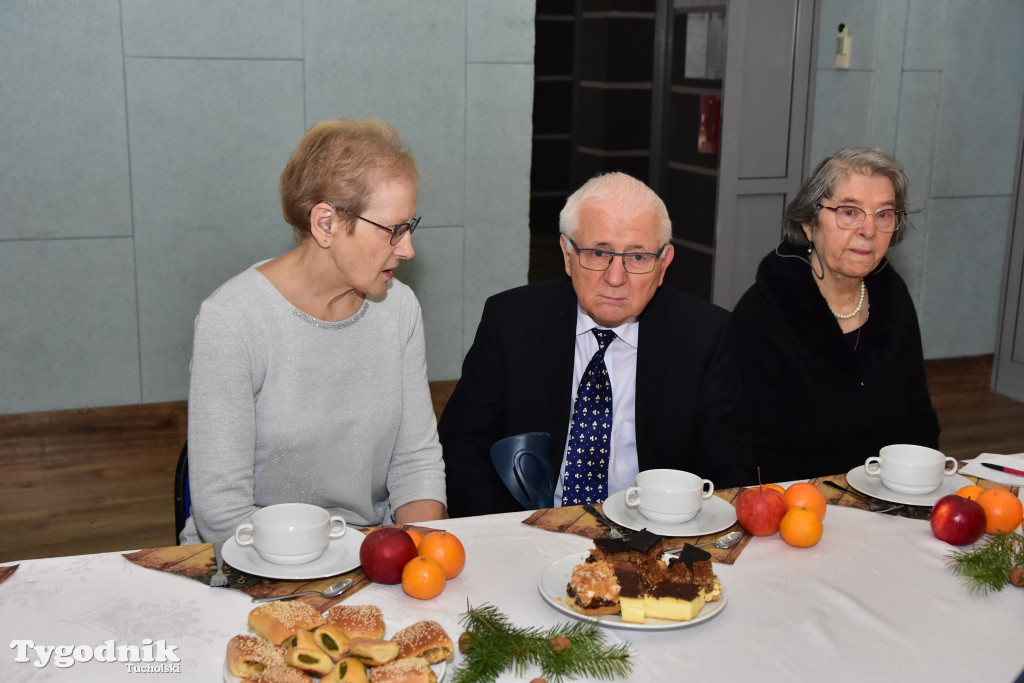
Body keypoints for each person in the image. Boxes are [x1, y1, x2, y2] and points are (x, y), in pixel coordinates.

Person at [181, 118, 446, 545]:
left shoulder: (399, 308)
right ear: (326, 224)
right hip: (252, 557)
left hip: (365, 552)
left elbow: (415, 464)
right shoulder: (233, 319)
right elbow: (222, 512)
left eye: (409, 227)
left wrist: (417, 548)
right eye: (392, 230)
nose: (407, 248)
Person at [438, 172, 753, 517]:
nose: (615, 278)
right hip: (528, 527)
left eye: (638, 257)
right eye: (598, 253)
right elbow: (463, 445)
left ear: (663, 265)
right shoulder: (511, 321)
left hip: (656, 532)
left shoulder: (705, 336)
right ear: (567, 254)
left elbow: (729, 474)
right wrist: (506, 533)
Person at [731, 147, 940, 483]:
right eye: (849, 212)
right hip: (798, 507)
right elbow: (748, 452)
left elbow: (919, 423)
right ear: (809, 224)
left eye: (883, 214)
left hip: (890, 497)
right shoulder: (762, 313)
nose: (868, 230)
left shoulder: (892, 299)